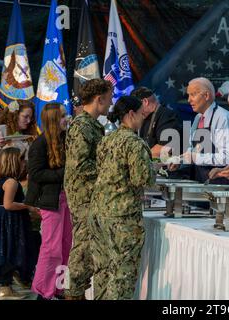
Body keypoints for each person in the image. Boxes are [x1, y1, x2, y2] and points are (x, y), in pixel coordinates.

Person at [90, 96, 156, 300]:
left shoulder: (106, 139)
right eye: (142, 114)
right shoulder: (134, 143)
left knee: (103, 271)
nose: (144, 118)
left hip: (99, 211)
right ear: (131, 114)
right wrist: (154, 171)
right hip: (122, 216)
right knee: (122, 275)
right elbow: (142, 179)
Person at [64, 79, 113, 300]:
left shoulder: (91, 124)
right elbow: (80, 164)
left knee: (86, 245)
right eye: (109, 98)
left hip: (89, 194)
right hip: (83, 195)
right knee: (83, 247)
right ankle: (73, 293)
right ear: (99, 99)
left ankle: (76, 292)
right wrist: (110, 169)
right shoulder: (82, 126)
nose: (111, 103)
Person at [25, 103, 72, 300]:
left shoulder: (65, 140)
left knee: (66, 246)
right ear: (53, 120)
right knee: (51, 249)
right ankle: (43, 293)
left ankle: (60, 289)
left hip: (66, 200)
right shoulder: (39, 144)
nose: (66, 118)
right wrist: (64, 173)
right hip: (50, 201)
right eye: (62, 116)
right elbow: (35, 174)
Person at [0, 147, 38, 299]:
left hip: (7, 219)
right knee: (11, 250)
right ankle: (0, 283)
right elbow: (9, 204)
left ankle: (2, 284)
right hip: (10, 221)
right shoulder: (12, 182)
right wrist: (28, 206)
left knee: (8, 250)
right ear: (14, 162)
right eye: (22, 159)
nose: (25, 163)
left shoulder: (6, 180)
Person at [169, 77, 229, 184]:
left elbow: (228, 157)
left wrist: (196, 158)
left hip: (219, 184)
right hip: (200, 181)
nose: (189, 100)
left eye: (193, 95)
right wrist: (180, 161)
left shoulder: (223, 118)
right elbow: (193, 151)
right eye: (188, 95)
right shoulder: (198, 118)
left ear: (206, 96)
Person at [131, 86, 183, 159]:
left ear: (145, 102)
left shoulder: (167, 115)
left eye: (136, 107)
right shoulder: (143, 120)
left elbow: (166, 148)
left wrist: (140, 158)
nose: (136, 111)